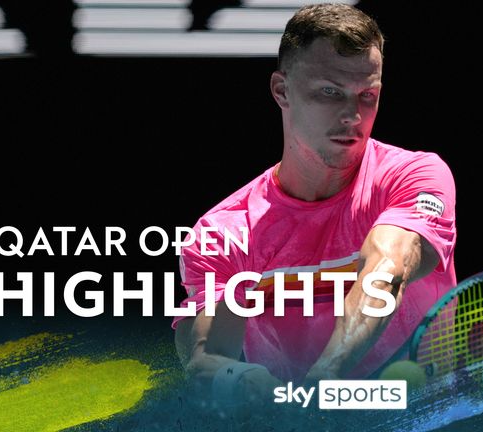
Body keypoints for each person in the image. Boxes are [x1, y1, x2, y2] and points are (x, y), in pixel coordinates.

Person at [172, 3, 457, 406]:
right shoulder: (224, 232)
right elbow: (205, 360)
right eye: (330, 92)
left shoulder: (413, 176)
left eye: (368, 95)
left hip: (425, 414)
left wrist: (326, 378)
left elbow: (388, 270)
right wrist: (246, 381)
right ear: (281, 91)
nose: (352, 115)